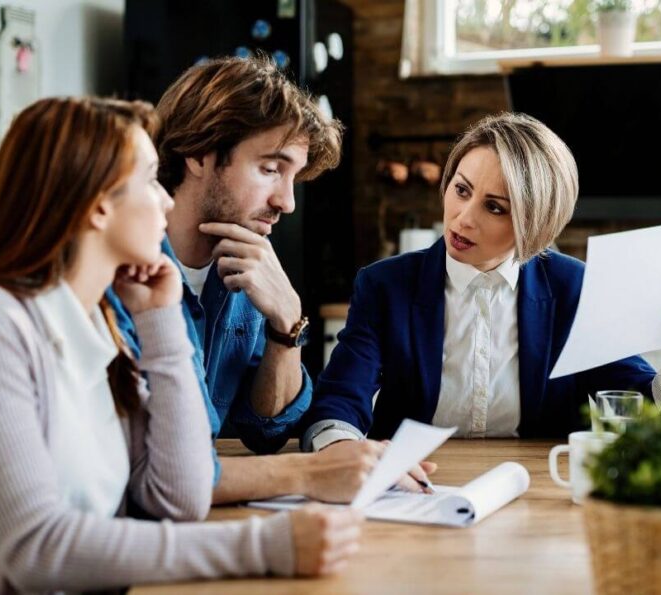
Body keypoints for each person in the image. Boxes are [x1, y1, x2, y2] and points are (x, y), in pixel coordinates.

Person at [0, 97, 361, 595]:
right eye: (148, 179)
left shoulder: (101, 319)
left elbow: (179, 494)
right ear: (98, 203)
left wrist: (161, 320)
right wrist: (263, 546)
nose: (165, 200)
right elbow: (36, 548)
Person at [301, 112, 661, 450]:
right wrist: (344, 453)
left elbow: (652, 413)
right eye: (461, 189)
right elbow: (337, 404)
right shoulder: (384, 285)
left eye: (495, 207)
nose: (463, 218)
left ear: (537, 225)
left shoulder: (573, 288)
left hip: (535, 487)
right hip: (411, 485)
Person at [108, 56, 433, 504]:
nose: (287, 202)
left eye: (293, 177)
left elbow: (267, 430)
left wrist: (287, 324)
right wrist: (314, 470)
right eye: (270, 169)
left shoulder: (247, 268)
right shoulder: (119, 274)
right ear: (200, 153)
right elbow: (157, 466)